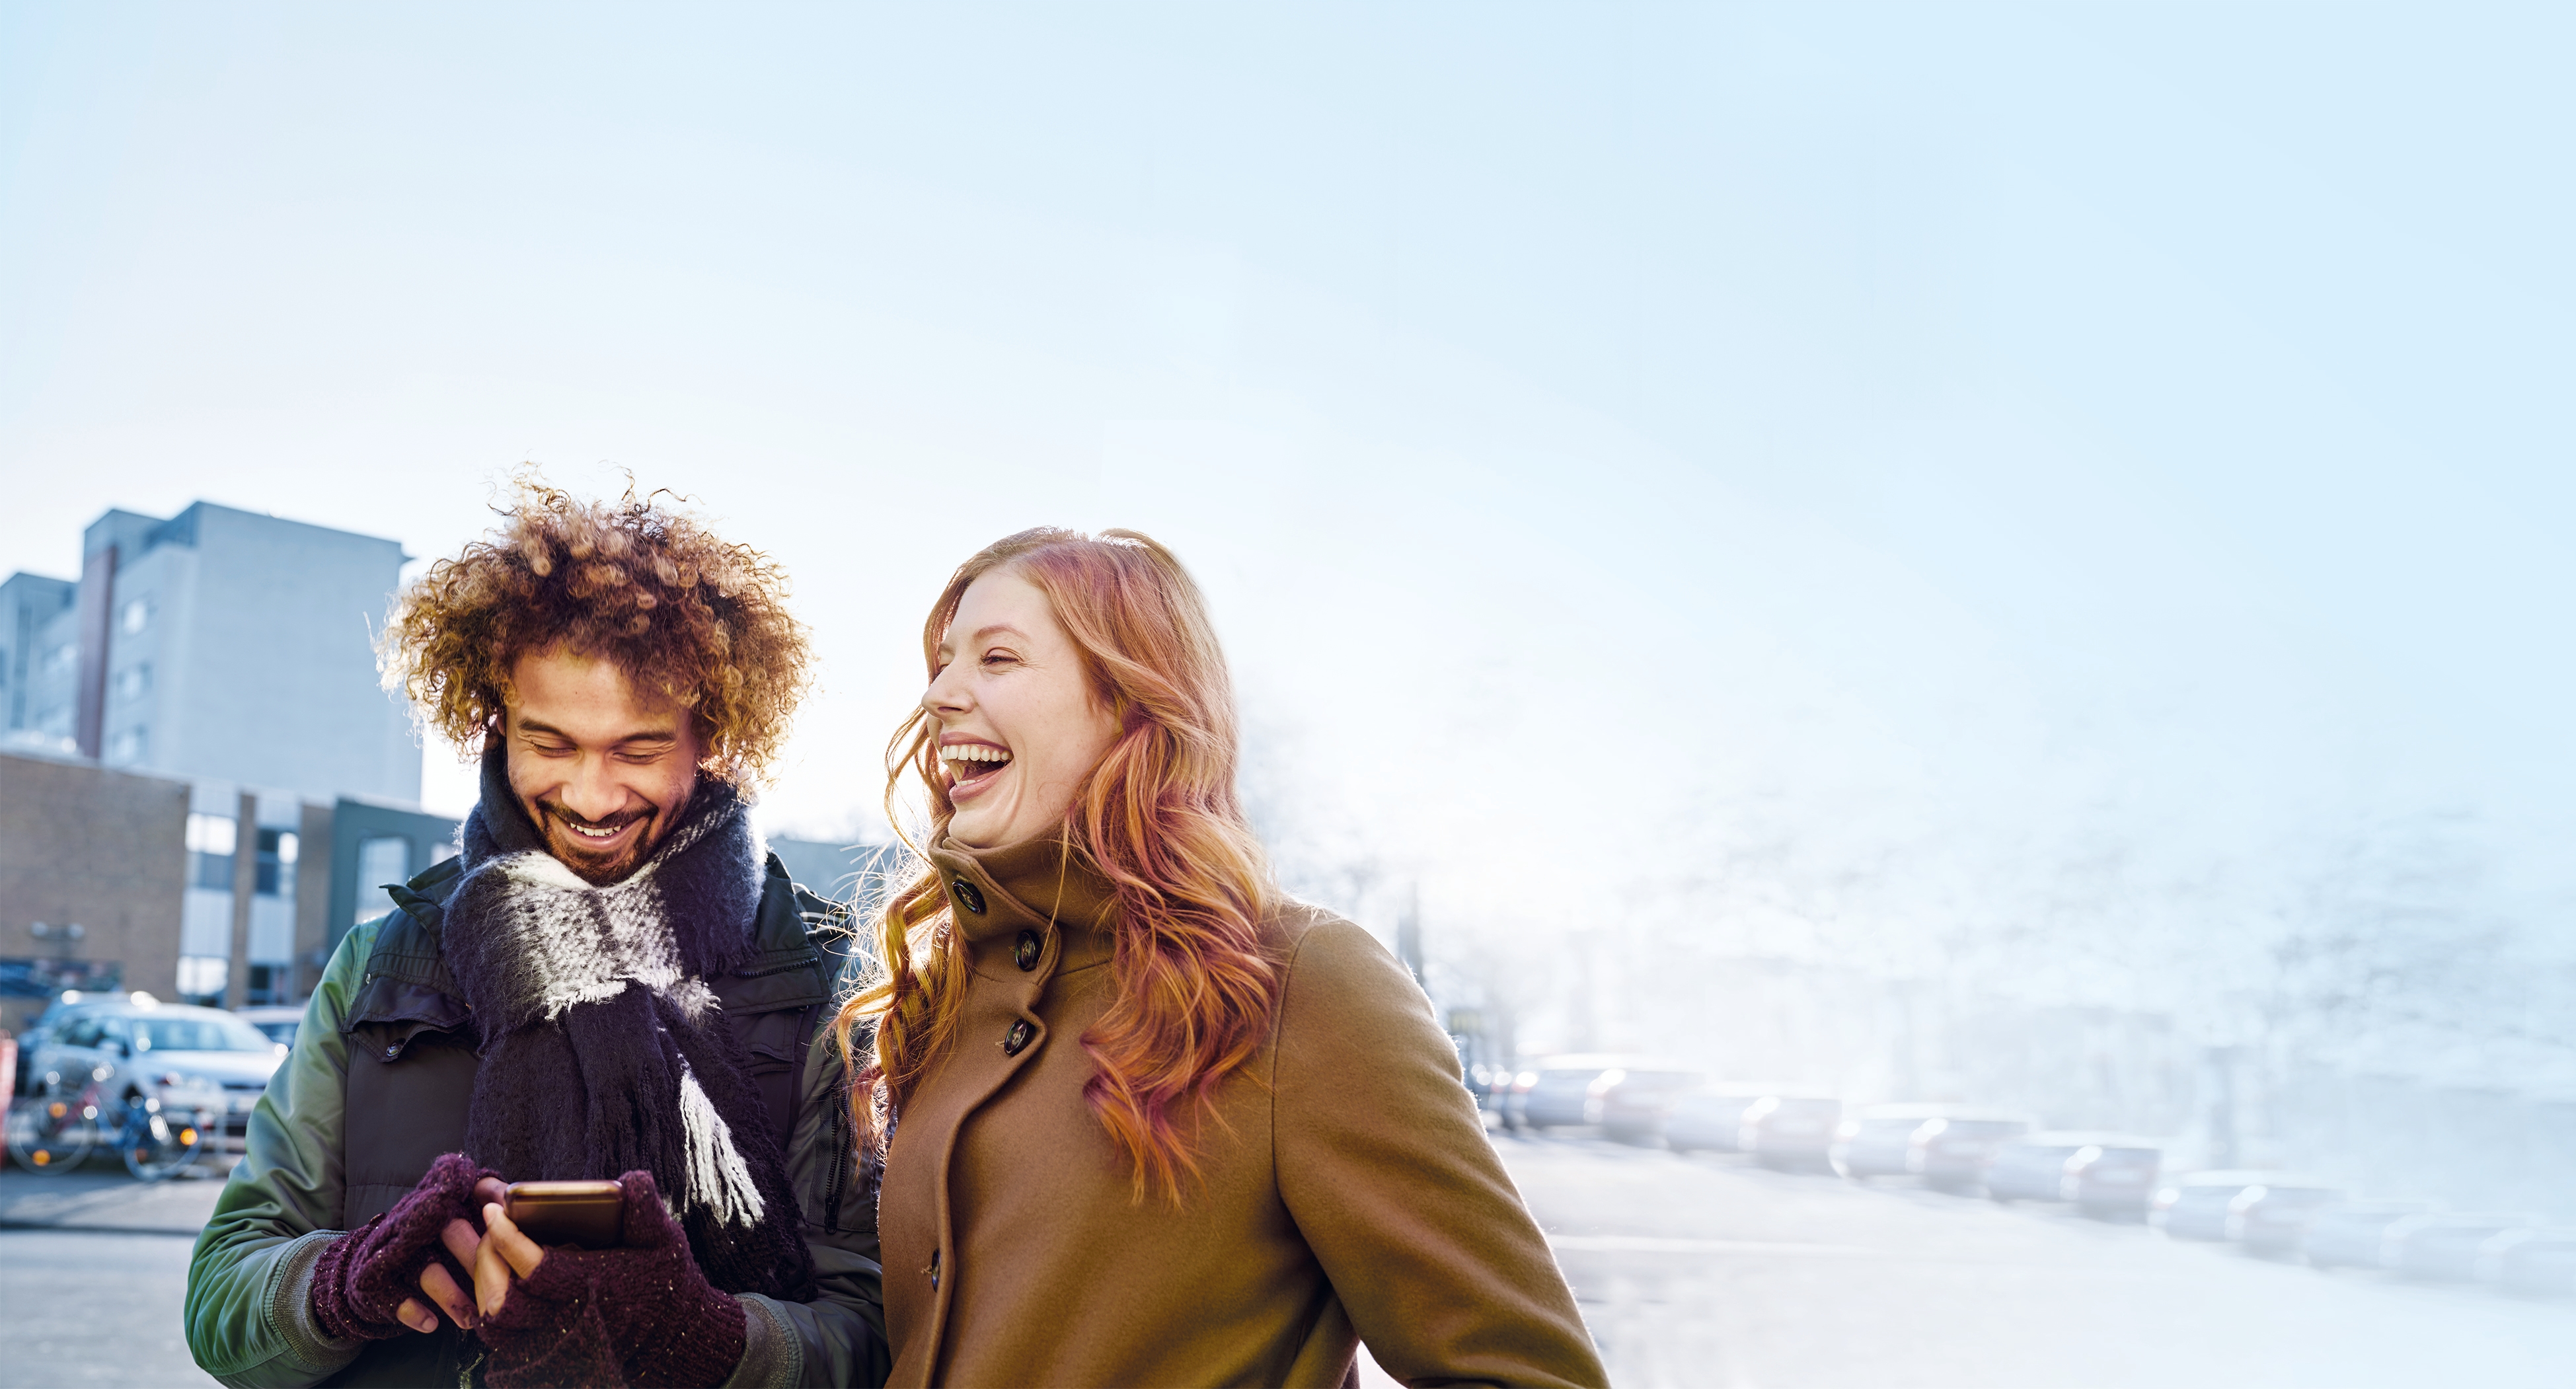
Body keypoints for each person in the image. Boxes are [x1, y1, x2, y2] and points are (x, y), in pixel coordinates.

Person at [834, 527, 1609, 1388]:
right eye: (943, 662)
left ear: (1128, 700)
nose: (939, 695)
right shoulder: (943, 995)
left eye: (998, 658)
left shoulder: (1302, 983)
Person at [185, 481, 888, 1389]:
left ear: (710, 737)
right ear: (492, 724)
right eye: (551, 743)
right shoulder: (380, 966)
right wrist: (339, 1286)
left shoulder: (821, 987)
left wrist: (712, 1337)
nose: (592, 797)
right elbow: (219, 1297)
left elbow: (874, 1335)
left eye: (636, 749)